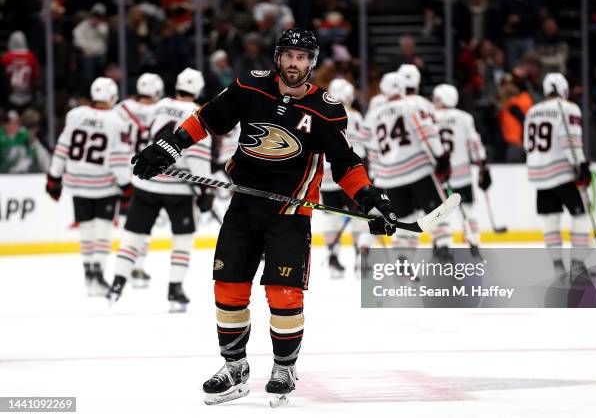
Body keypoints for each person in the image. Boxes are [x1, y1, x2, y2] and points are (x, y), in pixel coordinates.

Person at [130, 28, 397, 406]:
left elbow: (345, 163)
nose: (294, 63)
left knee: (283, 293)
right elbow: (207, 118)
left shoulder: (326, 109)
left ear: (312, 62)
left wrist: (370, 198)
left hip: (290, 212)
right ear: (277, 57)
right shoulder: (250, 88)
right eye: (288, 55)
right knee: (228, 287)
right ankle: (235, 367)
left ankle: (284, 367)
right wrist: (170, 146)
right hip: (243, 206)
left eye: (302, 57)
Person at [108, 68, 211, 312]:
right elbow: (198, 158)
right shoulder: (198, 113)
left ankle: (118, 282)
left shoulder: (160, 105)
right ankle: (175, 289)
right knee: (182, 240)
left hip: (146, 182)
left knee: (134, 234)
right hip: (178, 190)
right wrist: (205, 190)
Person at [46, 77, 131, 296]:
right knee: (102, 231)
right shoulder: (117, 120)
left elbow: (62, 147)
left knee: (86, 230)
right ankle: (98, 276)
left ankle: (88, 277)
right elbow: (118, 158)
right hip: (103, 184)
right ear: (112, 96)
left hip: (77, 182)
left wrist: (54, 177)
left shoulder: (75, 115)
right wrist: (126, 186)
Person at [524, 73, 593, 281]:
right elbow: (570, 140)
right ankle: (578, 266)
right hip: (562, 172)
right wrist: (581, 165)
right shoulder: (568, 107)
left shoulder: (532, 111)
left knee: (550, 222)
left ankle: (558, 268)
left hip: (538, 175)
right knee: (581, 217)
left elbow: (527, 145)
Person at [391, 66, 453, 259]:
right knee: (438, 210)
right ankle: (442, 246)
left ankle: (403, 258)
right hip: (420, 168)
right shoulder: (422, 104)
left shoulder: (383, 106)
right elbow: (429, 132)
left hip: (392, 174)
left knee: (406, 219)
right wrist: (441, 159)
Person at [114, 72, 164, 288]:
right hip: (145, 172)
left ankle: (126, 265)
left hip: (120, 169)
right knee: (143, 224)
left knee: (132, 225)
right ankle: (137, 266)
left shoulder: (123, 108)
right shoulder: (160, 109)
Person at [432, 84, 490, 259]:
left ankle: (442, 245)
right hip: (461, 175)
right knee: (468, 211)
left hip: (439, 175)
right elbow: (475, 144)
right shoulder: (464, 118)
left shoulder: (430, 116)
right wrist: (483, 166)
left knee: (439, 212)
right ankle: (474, 243)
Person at [321, 78, 371, 276]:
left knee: (331, 220)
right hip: (348, 174)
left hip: (326, 177)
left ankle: (333, 260)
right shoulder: (354, 115)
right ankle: (360, 261)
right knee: (359, 218)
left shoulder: (321, 113)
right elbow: (361, 147)